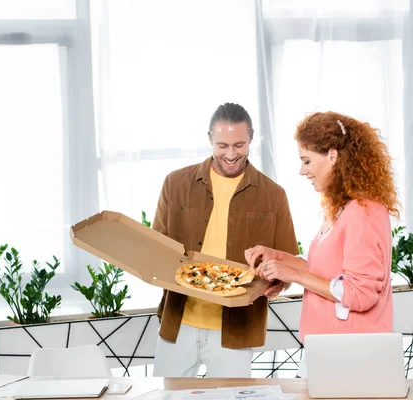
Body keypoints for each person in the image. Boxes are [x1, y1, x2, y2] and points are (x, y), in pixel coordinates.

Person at [244, 111, 399, 377]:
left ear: (332, 156)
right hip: (331, 351)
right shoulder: (345, 209)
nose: (302, 170)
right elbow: (321, 269)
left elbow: (359, 294)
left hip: (348, 357)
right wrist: (277, 257)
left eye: (306, 161)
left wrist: (292, 274)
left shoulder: (363, 213)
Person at [152, 102, 299, 378]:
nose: (231, 154)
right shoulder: (175, 183)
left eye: (239, 145)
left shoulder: (274, 195)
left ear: (251, 139)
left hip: (235, 329)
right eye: (222, 146)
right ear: (210, 139)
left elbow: (288, 263)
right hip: (179, 320)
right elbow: (157, 248)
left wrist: (278, 283)